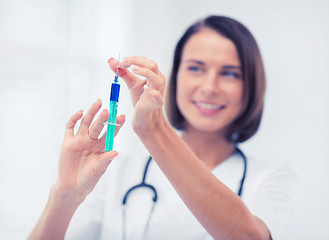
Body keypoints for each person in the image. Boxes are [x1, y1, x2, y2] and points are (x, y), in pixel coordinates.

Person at [29, 15, 297, 240]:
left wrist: (154, 132)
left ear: (250, 86)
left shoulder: (273, 179)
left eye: (229, 73)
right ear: (177, 76)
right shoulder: (111, 173)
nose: (210, 87)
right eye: (196, 68)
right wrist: (64, 197)